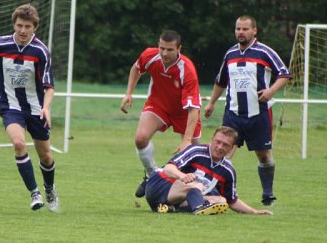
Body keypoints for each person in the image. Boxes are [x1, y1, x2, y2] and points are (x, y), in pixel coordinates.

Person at [0, 3, 58, 212]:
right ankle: (34, 193)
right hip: (10, 105)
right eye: (19, 25)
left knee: (46, 156)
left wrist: (46, 108)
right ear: (14, 25)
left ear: (35, 27)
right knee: (18, 143)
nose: (23, 30)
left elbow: (49, 87)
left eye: (27, 26)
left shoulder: (41, 51)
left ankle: (49, 189)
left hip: (36, 108)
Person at [204, 15, 291, 206]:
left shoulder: (265, 52)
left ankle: (267, 194)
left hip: (258, 114)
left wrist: (270, 91)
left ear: (254, 30)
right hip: (233, 114)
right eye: (238, 29)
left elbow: (284, 74)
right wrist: (211, 103)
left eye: (245, 29)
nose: (241, 32)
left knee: (264, 156)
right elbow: (221, 81)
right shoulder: (230, 54)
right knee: (222, 152)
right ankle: (215, 193)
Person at [120, 30, 201, 199]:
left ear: (179, 49)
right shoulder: (150, 56)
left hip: (184, 112)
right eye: (162, 48)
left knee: (196, 157)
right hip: (159, 105)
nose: (164, 53)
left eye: (170, 49)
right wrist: (128, 93)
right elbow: (136, 69)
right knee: (140, 139)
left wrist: (186, 140)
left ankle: (202, 192)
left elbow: (193, 109)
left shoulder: (187, 69)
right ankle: (152, 175)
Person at [144, 126, 273, 216]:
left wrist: (254, 212)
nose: (220, 147)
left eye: (225, 145)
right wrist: (182, 176)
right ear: (212, 140)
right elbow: (168, 168)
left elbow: (232, 201)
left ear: (231, 148)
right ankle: (198, 208)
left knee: (221, 201)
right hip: (158, 187)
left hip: (176, 198)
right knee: (197, 186)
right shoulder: (196, 151)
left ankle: (171, 209)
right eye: (218, 142)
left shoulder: (228, 171)